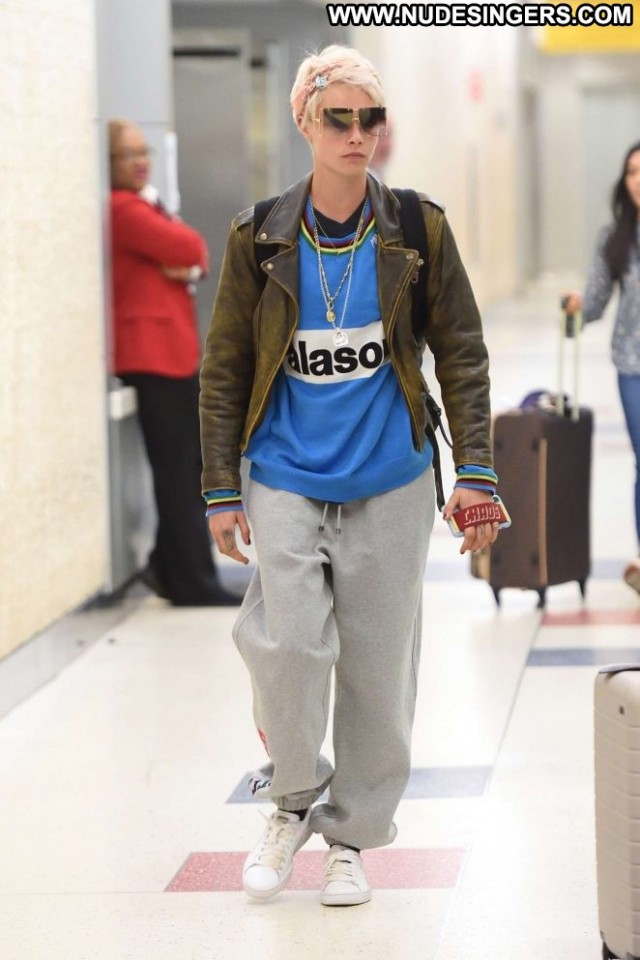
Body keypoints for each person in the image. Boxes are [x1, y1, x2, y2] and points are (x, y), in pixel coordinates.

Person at [199, 44, 502, 906]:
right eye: (340, 117)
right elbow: (224, 368)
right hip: (285, 471)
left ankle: (352, 840)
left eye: (372, 118)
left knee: (377, 670)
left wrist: (477, 471)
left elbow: (463, 352)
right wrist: (220, 488)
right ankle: (291, 798)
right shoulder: (259, 235)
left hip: (390, 475)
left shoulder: (416, 228)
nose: (358, 133)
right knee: (287, 645)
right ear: (306, 120)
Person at [108, 119, 241, 606]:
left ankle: (168, 568)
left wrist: (186, 260)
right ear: (108, 163)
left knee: (187, 467)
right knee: (180, 473)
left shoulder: (143, 205)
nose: (140, 162)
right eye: (128, 155)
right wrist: (184, 258)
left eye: (143, 152)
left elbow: (195, 255)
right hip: (152, 358)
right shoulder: (123, 208)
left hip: (170, 355)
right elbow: (189, 246)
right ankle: (191, 581)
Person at [563, 141, 640, 597]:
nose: (638, 180)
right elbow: (594, 301)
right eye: (632, 172)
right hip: (633, 363)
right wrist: (577, 307)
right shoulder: (615, 239)